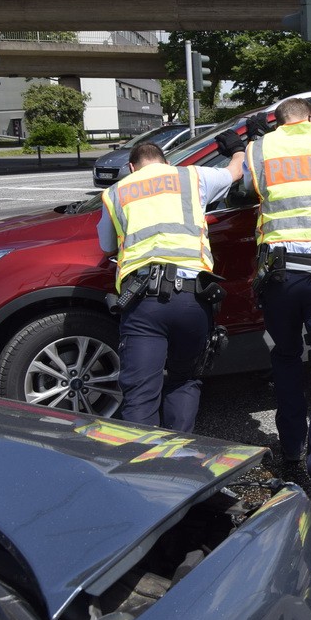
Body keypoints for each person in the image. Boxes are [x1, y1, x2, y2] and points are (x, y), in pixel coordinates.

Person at [233, 97, 311, 513]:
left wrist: (252, 141)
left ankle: (291, 451)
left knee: (285, 358)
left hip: (280, 276)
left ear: (279, 120)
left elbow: (246, 189)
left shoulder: (262, 147)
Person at [98, 140, 242, 433]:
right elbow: (235, 172)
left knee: (140, 395)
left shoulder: (115, 193)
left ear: (131, 167)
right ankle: (179, 462)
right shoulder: (192, 176)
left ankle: (146, 470)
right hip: (193, 297)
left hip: (143, 302)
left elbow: (106, 244)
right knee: (185, 378)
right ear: (165, 162)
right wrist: (238, 148)